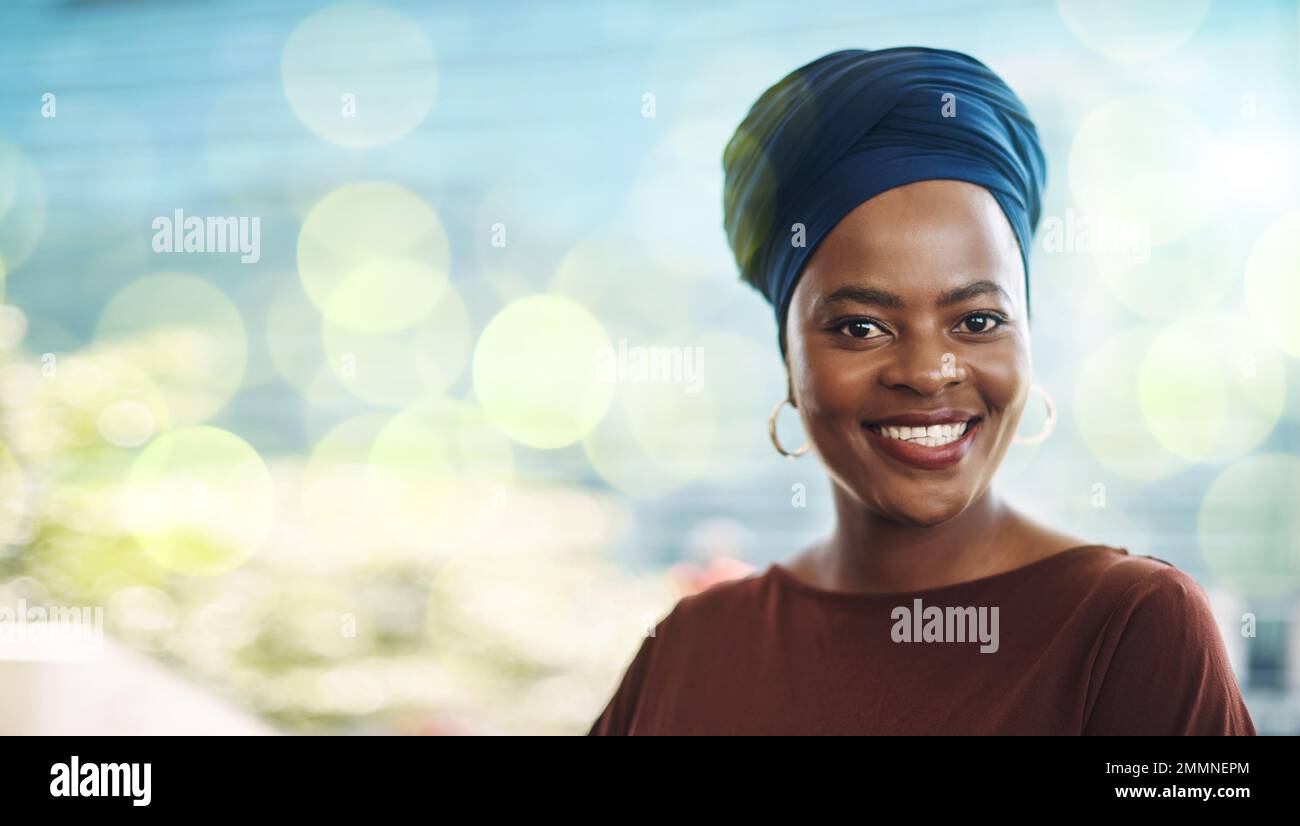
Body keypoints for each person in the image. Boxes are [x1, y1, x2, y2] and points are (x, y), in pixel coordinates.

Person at [587, 46, 1255, 735]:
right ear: (788, 359)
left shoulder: (1130, 629)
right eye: (860, 326)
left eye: (977, 320)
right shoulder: (694, 647)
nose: (929, 371)